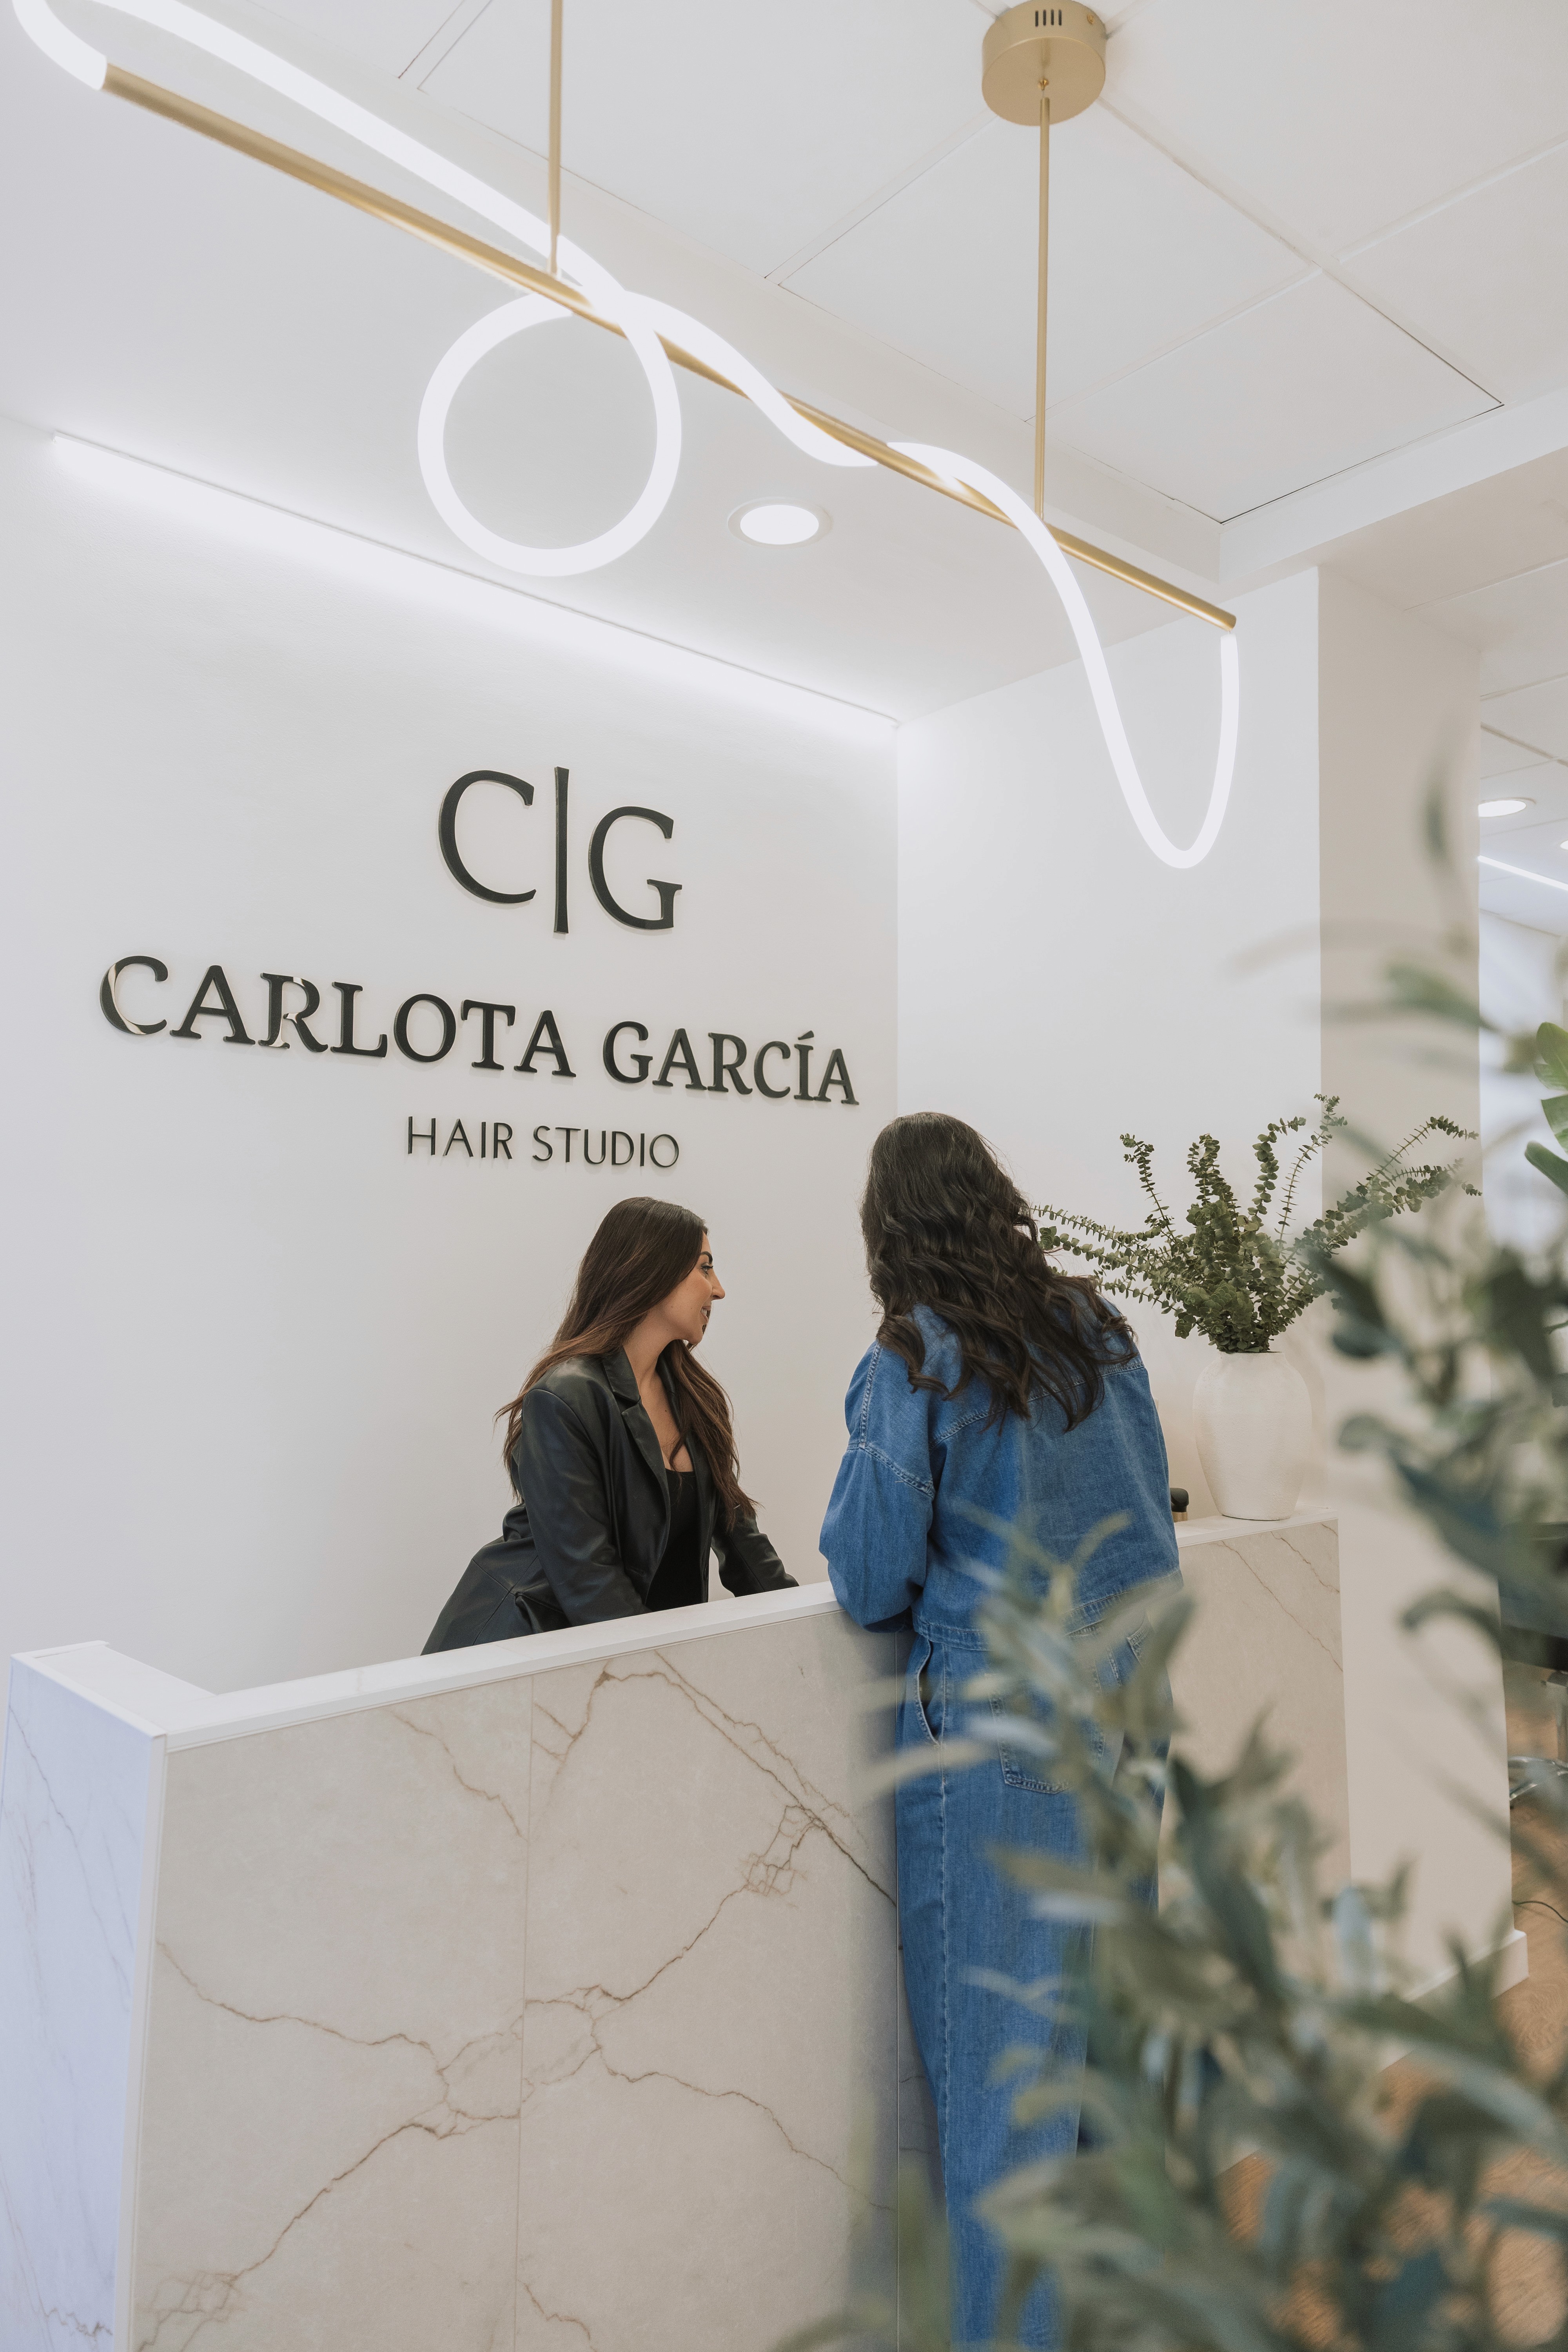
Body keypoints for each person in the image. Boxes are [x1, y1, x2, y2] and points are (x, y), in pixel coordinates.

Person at [819, 1113, 1178, 2348]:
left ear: (888, 1227)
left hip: (997, 1740)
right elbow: (1147, 1546)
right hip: (1123, 1723)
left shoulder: (917, 1354)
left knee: (1000, 2102)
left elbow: (869, 1572)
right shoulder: (1100, 1332)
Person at [425, 1197, 795, 1650]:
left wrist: (804, 1629)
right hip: (520, 1652)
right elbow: (589, 1579)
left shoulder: (696, 1399)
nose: (718, 1290)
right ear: (654, 1272)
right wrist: (670, 1675)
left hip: (618, 1658)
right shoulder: (565, 1396)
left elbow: (741, 1539)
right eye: (704, 1268)